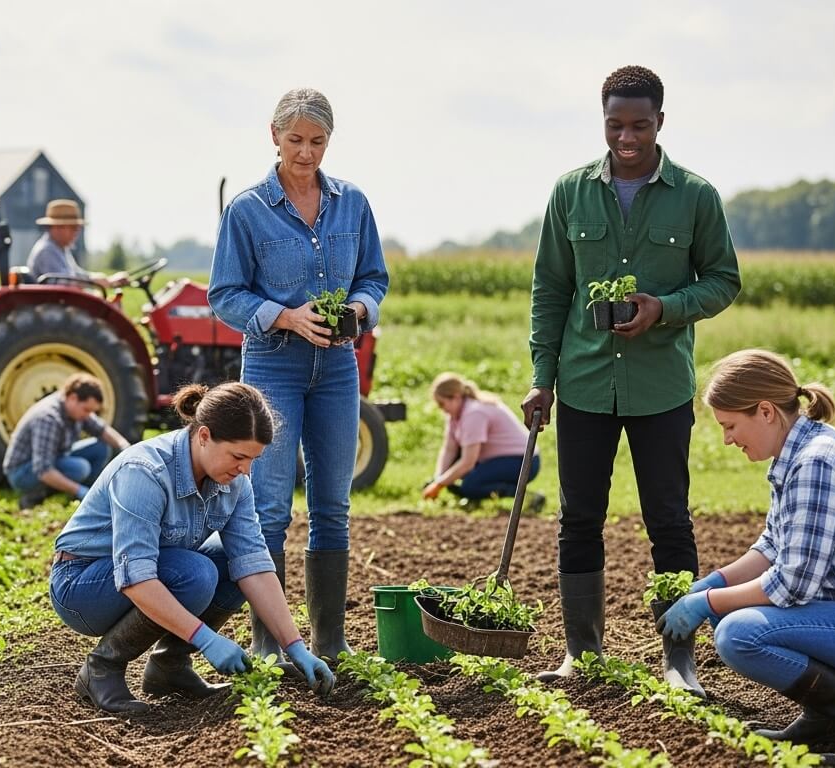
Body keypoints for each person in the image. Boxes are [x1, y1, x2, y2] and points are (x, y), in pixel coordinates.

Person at [522, 65, 742, 696]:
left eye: (639, 125)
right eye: (616, 125)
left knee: (669, 520)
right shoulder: (570, 193)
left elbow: (724, 280)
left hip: (660, 389)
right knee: (578, 517)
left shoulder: (696, 196)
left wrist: (664, 308)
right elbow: (551, 290)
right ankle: (581, 653)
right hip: (584, 383)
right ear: (604, 123)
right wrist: (543, 378)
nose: (627, 138)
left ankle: (678, 659)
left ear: (660, 123)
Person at [658, 350, 835, 767]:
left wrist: (704, 603)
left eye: (729, 426)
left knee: (739, 633)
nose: (727, 439)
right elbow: (773, 547)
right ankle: (826, 716)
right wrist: (714, 584)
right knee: (731, 610)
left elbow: (792, 585)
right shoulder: (799, 453)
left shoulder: (816, 464)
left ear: (765, 411)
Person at [208, 87, 389, 662]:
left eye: (316, 142)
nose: (306, 153)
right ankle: (271, 643)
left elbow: (374, 278)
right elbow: (224, 295)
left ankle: (329, 641)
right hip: (272, 366)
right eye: (295, 141)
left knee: (332, 505)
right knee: (269, 510)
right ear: (274, 136)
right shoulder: (247, 209)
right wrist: (285, 315)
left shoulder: (353, 203)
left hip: (337, 367)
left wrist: (357, 311)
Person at [50, 382, 336, 714]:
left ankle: (170, 666)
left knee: (231, 560)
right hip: (82, 585)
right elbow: (135, 577)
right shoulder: (145, 472)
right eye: (238, 456)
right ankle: (101, 668)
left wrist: (296, 647)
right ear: (203, 436)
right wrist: (205, 639)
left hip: (150, 572)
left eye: (252, 459)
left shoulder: (234, 483)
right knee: (194, 573)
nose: (245, 470)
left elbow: (254, 564)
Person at [3, 372, 131, 511]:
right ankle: (37, 494)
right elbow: (43, 470)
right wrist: (80, 491)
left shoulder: (75, 409)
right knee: (80, 468)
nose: (89, 415)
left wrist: (126, 448)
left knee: (101, 448)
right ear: (72, 398)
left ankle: (92, 495)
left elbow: (102, 430)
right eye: (86, 410)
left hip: (54, 458)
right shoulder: (48, 418)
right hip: (22, 472)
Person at [423, 372, 542, 510]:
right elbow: (449, 449)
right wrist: (438, 478)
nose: (441, 409)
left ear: (455, 397)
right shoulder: (456, 414)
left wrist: (439, 485)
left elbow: (468, 462)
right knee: (456, 477)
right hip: (500, 459)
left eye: (442, 404)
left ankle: (528, 497)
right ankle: (473, 497)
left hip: (523, 461)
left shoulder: (474, 413)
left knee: (470, 485)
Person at [27, 199, 127, 289]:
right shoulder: (47, 250)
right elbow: (62, 282)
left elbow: (74, 273)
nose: (77, 232)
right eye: (73, 227)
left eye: (77, 228)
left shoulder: (60, 249)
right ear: (57, 228)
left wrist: (105, 280)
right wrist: (93, 281)